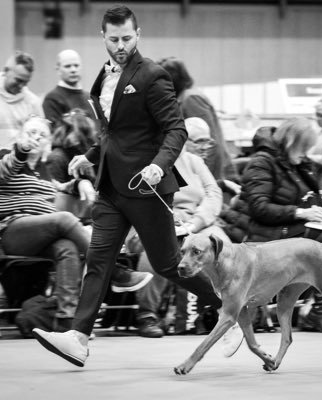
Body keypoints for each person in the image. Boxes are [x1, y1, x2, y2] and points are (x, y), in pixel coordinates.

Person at [32, 5, 241, 367]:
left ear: (138, 34)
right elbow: (114, 133)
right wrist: (90, 156)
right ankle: (78, 338)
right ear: (103, 38)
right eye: (113, 39)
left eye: (127, 38)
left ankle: (230, 308)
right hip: (111, 187)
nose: (120, 45)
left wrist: (160, 166)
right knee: (98, 259)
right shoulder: (104, 76)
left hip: (149, 188)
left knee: (167, 265)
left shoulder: (152, 75)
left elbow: (177, 129)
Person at [0, 116, 152, 333]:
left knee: (68, 248)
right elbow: (3, 172)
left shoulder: (42, 171)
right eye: (31, 132)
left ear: (48, 142)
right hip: (12, 230)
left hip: (41, 235)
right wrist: (20, 150)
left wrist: (82, 182)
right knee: (65, 219)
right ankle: (115, 271)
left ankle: (65, 320)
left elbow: (59, 188)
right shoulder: (7, 156)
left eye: (42, 135)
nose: (36, 138)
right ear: (20, 135)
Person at [221, 118, 322, 333]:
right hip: (263, 232)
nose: (306, 154)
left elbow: (313, 198)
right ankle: (318, 310)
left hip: (291, 228)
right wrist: (300, 212)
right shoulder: (262, 162)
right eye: (303, 148)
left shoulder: (298, 164)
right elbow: (259, 208)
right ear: (291, 142)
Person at [134, 117, 231, 338]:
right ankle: (147, 314)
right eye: (200, 141)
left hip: (196, 222)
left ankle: (228, 306)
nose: (205, 147)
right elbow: (141, 196)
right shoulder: (149, 160)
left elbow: (213, 194)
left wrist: (196, 221)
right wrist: (169, 216)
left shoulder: (194, 161)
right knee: (156, 248)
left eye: (208, 142)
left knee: (221, 243)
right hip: (157, 220)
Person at [157, 56, 238, 182]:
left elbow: (208, 143)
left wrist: (204, 179)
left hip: (214, 175)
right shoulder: (186, 98)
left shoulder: (191, 99)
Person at [0, 51, 44, 150]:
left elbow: (41, 136)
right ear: (6, 71)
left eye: (25, 82)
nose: (21, 86)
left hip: (19, 160)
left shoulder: (33, 102)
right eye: (18, 80)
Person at [42, 50, 95, 127]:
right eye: (67, 66)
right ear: (58, 69)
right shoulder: (52, 99)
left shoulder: (90, 97)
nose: (73, 70)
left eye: (76, 65)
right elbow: (56, 133)